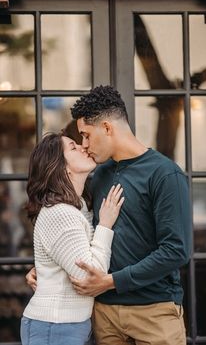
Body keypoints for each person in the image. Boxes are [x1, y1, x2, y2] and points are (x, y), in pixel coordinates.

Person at [27, 85, 191, 345]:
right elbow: (79, 234)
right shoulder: (99, 175)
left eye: (86, 135)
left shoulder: (164, 174)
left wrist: (111, 281)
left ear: (106, 128)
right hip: (103, 314)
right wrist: (48, 267)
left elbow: (176, 250)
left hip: (154, 311)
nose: (84, 144)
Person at [21, 132, 124, 345]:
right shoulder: (60, 213)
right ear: (61, 166)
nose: (83, 147)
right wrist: (105, 225)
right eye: (73, 147)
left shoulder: (78, 207)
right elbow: (89, 276)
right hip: (54, 326)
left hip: (67, 325)